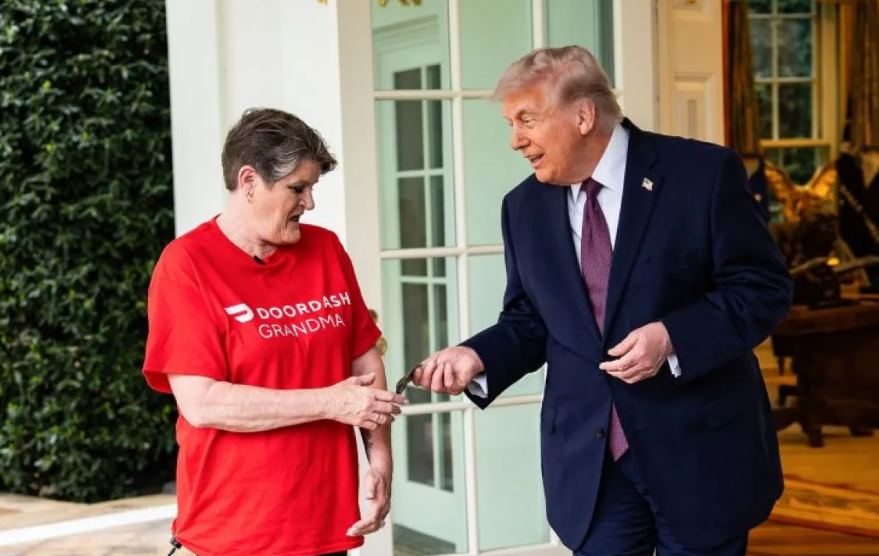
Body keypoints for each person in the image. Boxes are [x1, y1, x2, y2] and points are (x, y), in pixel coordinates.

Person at [413, 46, 792, 556]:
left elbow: (761, 288)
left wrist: (671, 337)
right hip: (590, 468)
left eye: (527, 120)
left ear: (584, 115)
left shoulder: (702, 173)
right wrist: (477, 355)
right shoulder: (522, 207)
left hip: (698, 453)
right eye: (511, 124)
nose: (515, 140)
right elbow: (531, 319)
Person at [142, 107, 406, 556]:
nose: (310, 203)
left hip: (326, 519)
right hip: (237, 529)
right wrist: (329, 402)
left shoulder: (326, 249)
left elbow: (363, 357)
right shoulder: (187, 265)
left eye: (312, 188)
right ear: (249, 181)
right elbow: (203, 403)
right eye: (297, 188)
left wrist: (380, 461)